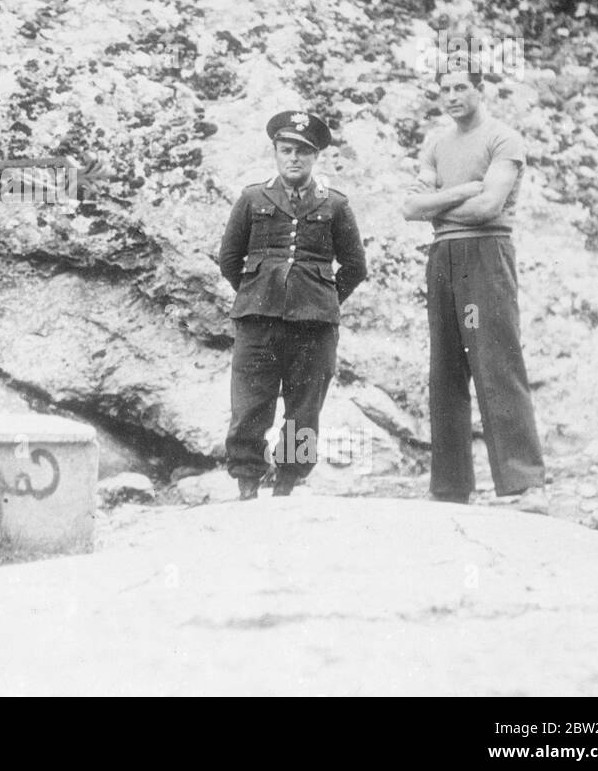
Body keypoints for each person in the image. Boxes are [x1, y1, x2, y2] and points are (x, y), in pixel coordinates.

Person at [402, 70, 546, 511]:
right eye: (444, 90)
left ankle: (525, 485)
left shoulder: (503, 139)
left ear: (480, 91)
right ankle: (449, 488)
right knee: (445, 368)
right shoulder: (436, 144)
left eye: (460, 87)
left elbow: (490, 207)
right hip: (443, 259)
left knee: (495, 360)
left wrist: (440, 207)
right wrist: (465, 189)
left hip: (486, 255)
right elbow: (410, 206)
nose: (451, 96)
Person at [219, 111, 368, 499]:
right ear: (275, 152)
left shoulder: (334, 204)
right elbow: (229, 259)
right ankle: (247, 481)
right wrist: (256, 291)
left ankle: (288, 481)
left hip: (314, 325)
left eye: (303, 152)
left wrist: (323, 298)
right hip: (257, 320)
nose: (294, 159)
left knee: (304, 409)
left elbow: (355, 266)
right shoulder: (253, 198)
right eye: (287, 150)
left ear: (315, 157)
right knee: (251, 402)